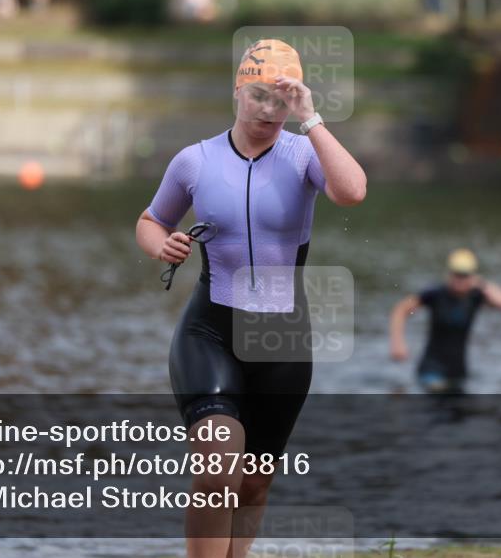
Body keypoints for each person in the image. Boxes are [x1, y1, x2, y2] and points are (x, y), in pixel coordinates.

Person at [135, 39, 366, 558]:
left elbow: (352, 191)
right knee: (218, 468)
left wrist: (311, 118)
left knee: (254, 485)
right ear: (238, 91)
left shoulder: (303, 153)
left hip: (282, 340)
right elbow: (151, 221)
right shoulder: (195, 161)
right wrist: (161, 246)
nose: (268, 110)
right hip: (211, 331)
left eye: (282, 100)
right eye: (259, 96)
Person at [389, 248, 501, 393]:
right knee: (436, 395)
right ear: (449, 273)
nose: (459, 279)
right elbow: (401, 309)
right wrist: (398, 344)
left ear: (472, 276)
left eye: (464, 275)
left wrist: (481, 283)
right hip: (431, 370)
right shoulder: (435, 294)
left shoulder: (475, 297)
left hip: (458, 372)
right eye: (456, 274)